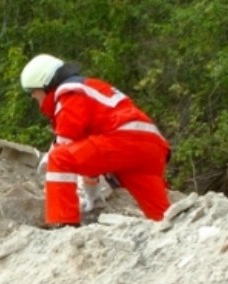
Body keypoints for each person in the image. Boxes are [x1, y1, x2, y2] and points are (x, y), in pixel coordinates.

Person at [20, 53, 171, 227]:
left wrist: (49, 159)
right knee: (162, 215)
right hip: (151, 146)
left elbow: (66, 142)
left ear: (45, 84)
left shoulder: (69, 92)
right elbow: (86, 155)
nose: (32, 97)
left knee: (59, 158)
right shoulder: (91, 87)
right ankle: (183, 237)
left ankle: (64, 223)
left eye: (33, 91)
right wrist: (92, 197)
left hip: (123, 140)